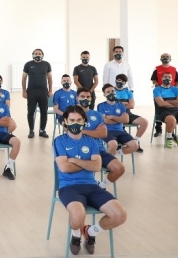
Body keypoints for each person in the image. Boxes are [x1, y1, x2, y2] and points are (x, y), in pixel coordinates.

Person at [54, 106, 127, 256]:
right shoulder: (59, 141)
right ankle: (76, 236)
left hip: (92, 186)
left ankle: (91, 232)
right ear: (65, 122)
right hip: (69, 187)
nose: (75, 123)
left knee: (120, 215)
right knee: (77, 215)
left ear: (84, 121)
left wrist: (75, 160)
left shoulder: (92, 142)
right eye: (72, 120)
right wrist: (87, 163)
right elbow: (65, 168)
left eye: (79, 120)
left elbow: (97, 166)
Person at [77, 88, 125, 191]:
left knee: (119, 168)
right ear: (77, 98)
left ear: (91, 98)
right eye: (82, 96)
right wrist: (94, 132)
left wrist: (83, 131)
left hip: (99, 151)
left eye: (88, 97)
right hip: (80, 151)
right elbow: (74, 134)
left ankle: (101, 187)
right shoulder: (72, 115)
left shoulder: (97, 114)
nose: (85, 99)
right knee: (88, 172)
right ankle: (90, 188)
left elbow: (103, 133)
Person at [97, 84, 139, 157]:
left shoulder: (121, 105)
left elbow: (126, 120)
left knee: (135, 145)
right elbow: (106, 121)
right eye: (108, 92)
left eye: (112, 91)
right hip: (107, 131)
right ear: (104, 95)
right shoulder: (101, 106)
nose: (111, 93)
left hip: (120, 131)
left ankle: (115, 154)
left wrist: (112, 117)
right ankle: (107, 161)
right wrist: (120, 119)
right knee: (113, 144)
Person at [114, 74, 148, 152]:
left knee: (144, 122)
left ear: (125, 83)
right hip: (116, 115)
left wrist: (120, 104)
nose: (120, 82)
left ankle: (136, 142)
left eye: (122, 81)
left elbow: (132, 105)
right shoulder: (112, 91)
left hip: (127, 114)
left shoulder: (128, 92)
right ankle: (120, 143)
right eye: (118, 80)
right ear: (115, 80)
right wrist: (125, 103)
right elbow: (112, 105)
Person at [22, 48, 52, 138]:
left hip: (43, 92)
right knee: (31, 111)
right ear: (33, 55)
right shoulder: (28, 64)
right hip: (31, 92)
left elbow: (49, 78)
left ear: (42, 55)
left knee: (44, 111)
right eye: (36, 53)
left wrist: (50, 90)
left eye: (39, 53)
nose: (37, 55)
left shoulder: (46, 64)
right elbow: (24, 78)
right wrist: (24, 90)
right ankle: (31, 130)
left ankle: (42, 130)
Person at [150, 53, 178, 136]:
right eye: (163, 56)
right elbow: (154, 80)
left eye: (167, 56)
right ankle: (158, 130)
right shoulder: (157, 69)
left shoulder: (174, 69)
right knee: (159, 110)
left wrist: (174, 89)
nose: (165, 58)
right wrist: (159, 87)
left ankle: (171, 131)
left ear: (170, 59)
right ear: (160, 59)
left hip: (172, 93)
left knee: (174, 111)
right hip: (160, 93)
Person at [153, 72, 178, 148]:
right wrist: (175, 103)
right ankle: (169, 137)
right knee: (172, 120)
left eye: (169, 77)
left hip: (177, 110)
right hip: (162, 111)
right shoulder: (157, 90)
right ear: (162, 78)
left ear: (172, 79)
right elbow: (161, 104)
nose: (167, 78)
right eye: (165, 77)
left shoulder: (176, 89)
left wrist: (167, 101)